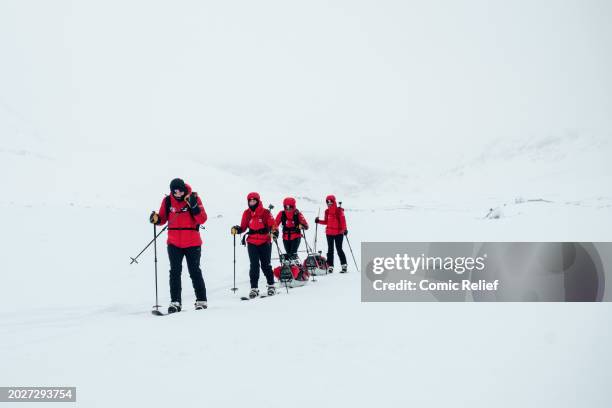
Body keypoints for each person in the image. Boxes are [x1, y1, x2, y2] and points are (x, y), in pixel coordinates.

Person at [149, 178, 208, 313]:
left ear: (184, 188)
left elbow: (202, 219)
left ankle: (201, 300)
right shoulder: (167, 200)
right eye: (175, 191)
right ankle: (175, 302)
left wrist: (193, 206)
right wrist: (156, 219)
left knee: (194, 271)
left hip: (192, 242)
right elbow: (162, 219)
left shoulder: (193, 198)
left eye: (180, 190)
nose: (178, 193)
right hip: (174, 243)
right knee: (174, 272)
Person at [231, 192, 276, 298]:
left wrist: (274, 231)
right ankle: (254, 288)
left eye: (254, 201)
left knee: (266, 265)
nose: (252, 203)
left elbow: (272, 224)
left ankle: (271, 285)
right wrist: (237, 230)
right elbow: (243, 227)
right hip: (251, 242)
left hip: (264, 241)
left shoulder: (265, 212)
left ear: (258, 201)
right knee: (254, 265)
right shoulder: (246, 213)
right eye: (250, 201)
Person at [314, 195, 348, 273]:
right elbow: (326, 222)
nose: (329, 203)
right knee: (330, 250)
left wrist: (345, 229)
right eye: (327, 202)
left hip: (339, 233)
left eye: (330, 201)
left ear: (334, 201)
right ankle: (330, 266)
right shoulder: (327, 211)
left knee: (339, 249)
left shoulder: (339, 210)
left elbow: (343, 221)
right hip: (329, 233)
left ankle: (344, 265)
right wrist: (318, 221)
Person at [274, 197, 309, 262]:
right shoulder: (281, 214)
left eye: (290, 207)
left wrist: (301, 226)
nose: (288, 209)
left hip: (296, 237)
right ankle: (291, 270)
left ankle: (296, 269)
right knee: (288, 255)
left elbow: (306, 226)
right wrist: (274, 231)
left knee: (292, 255)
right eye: (286, 207)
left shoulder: (298, 214)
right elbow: (275, 224)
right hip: (285, 237)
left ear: (294, 206)